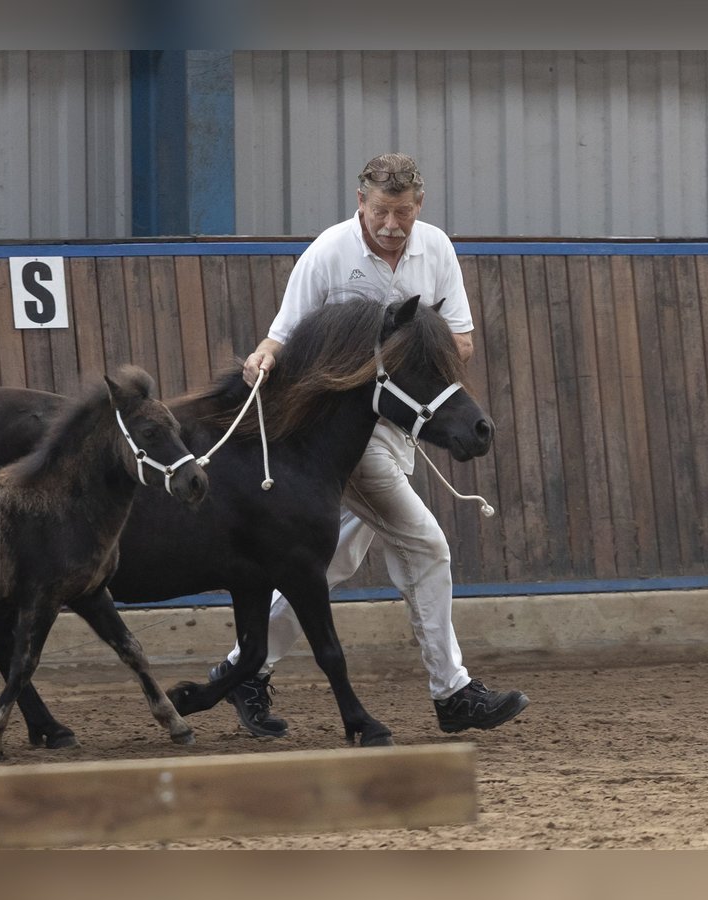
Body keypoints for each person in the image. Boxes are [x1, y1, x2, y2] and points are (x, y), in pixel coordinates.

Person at [209, 152, 529, 738]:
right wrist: (262, 356)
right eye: (381, 211)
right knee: (427, 547)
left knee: (329, 563)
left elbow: (460, 341)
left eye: (402, 212)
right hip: (347, 438)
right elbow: (284, 331)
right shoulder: (329, 253)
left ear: (419, 207)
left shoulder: (437, 250)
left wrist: (410, 350)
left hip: (406, 422)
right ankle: (452, 691)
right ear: (361, 202)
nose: (391, 224)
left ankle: (243, 669)